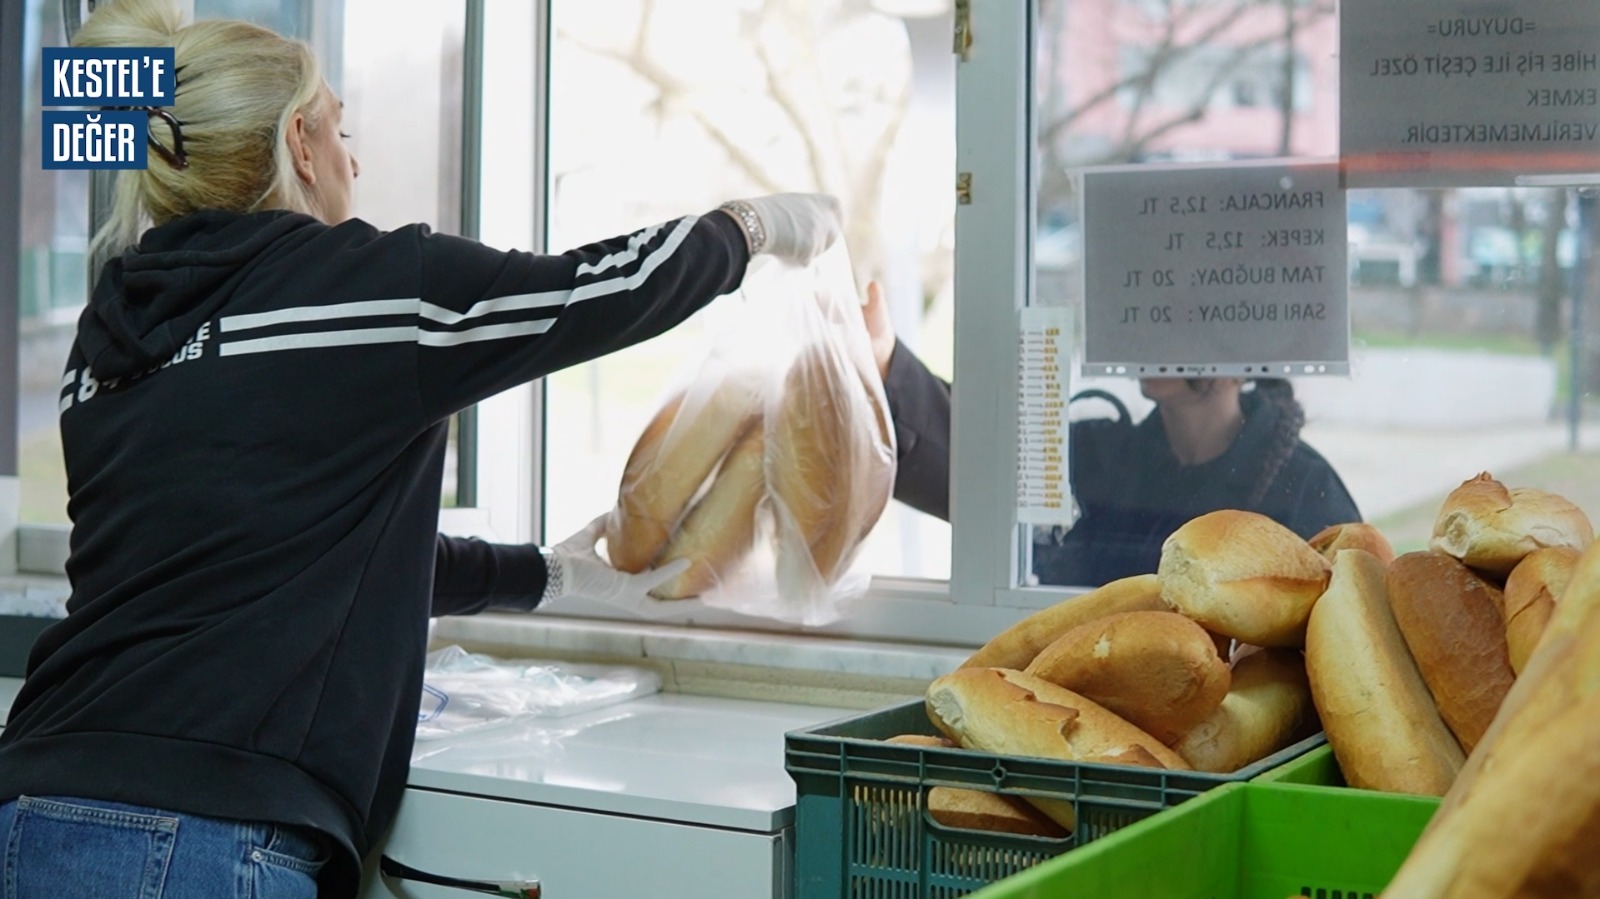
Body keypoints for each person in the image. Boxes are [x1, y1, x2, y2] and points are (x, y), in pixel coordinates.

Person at [0, 2, 843, 897]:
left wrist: (546, 576)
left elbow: (293, 550)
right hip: (200, 839)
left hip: (31, 803)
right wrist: (751, 228)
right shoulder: (360, 290)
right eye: (340, 126)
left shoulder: (108, 337)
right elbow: (592, 291)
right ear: (300, 142)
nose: (354, 158)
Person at [862, 284, 1360, 587]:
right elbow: (981, 457)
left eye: (1181, 323)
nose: (1149, 336)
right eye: (1146, 316)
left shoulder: (1306, 491)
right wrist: (885, 363)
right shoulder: (1100, 455)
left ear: (1242, 355)